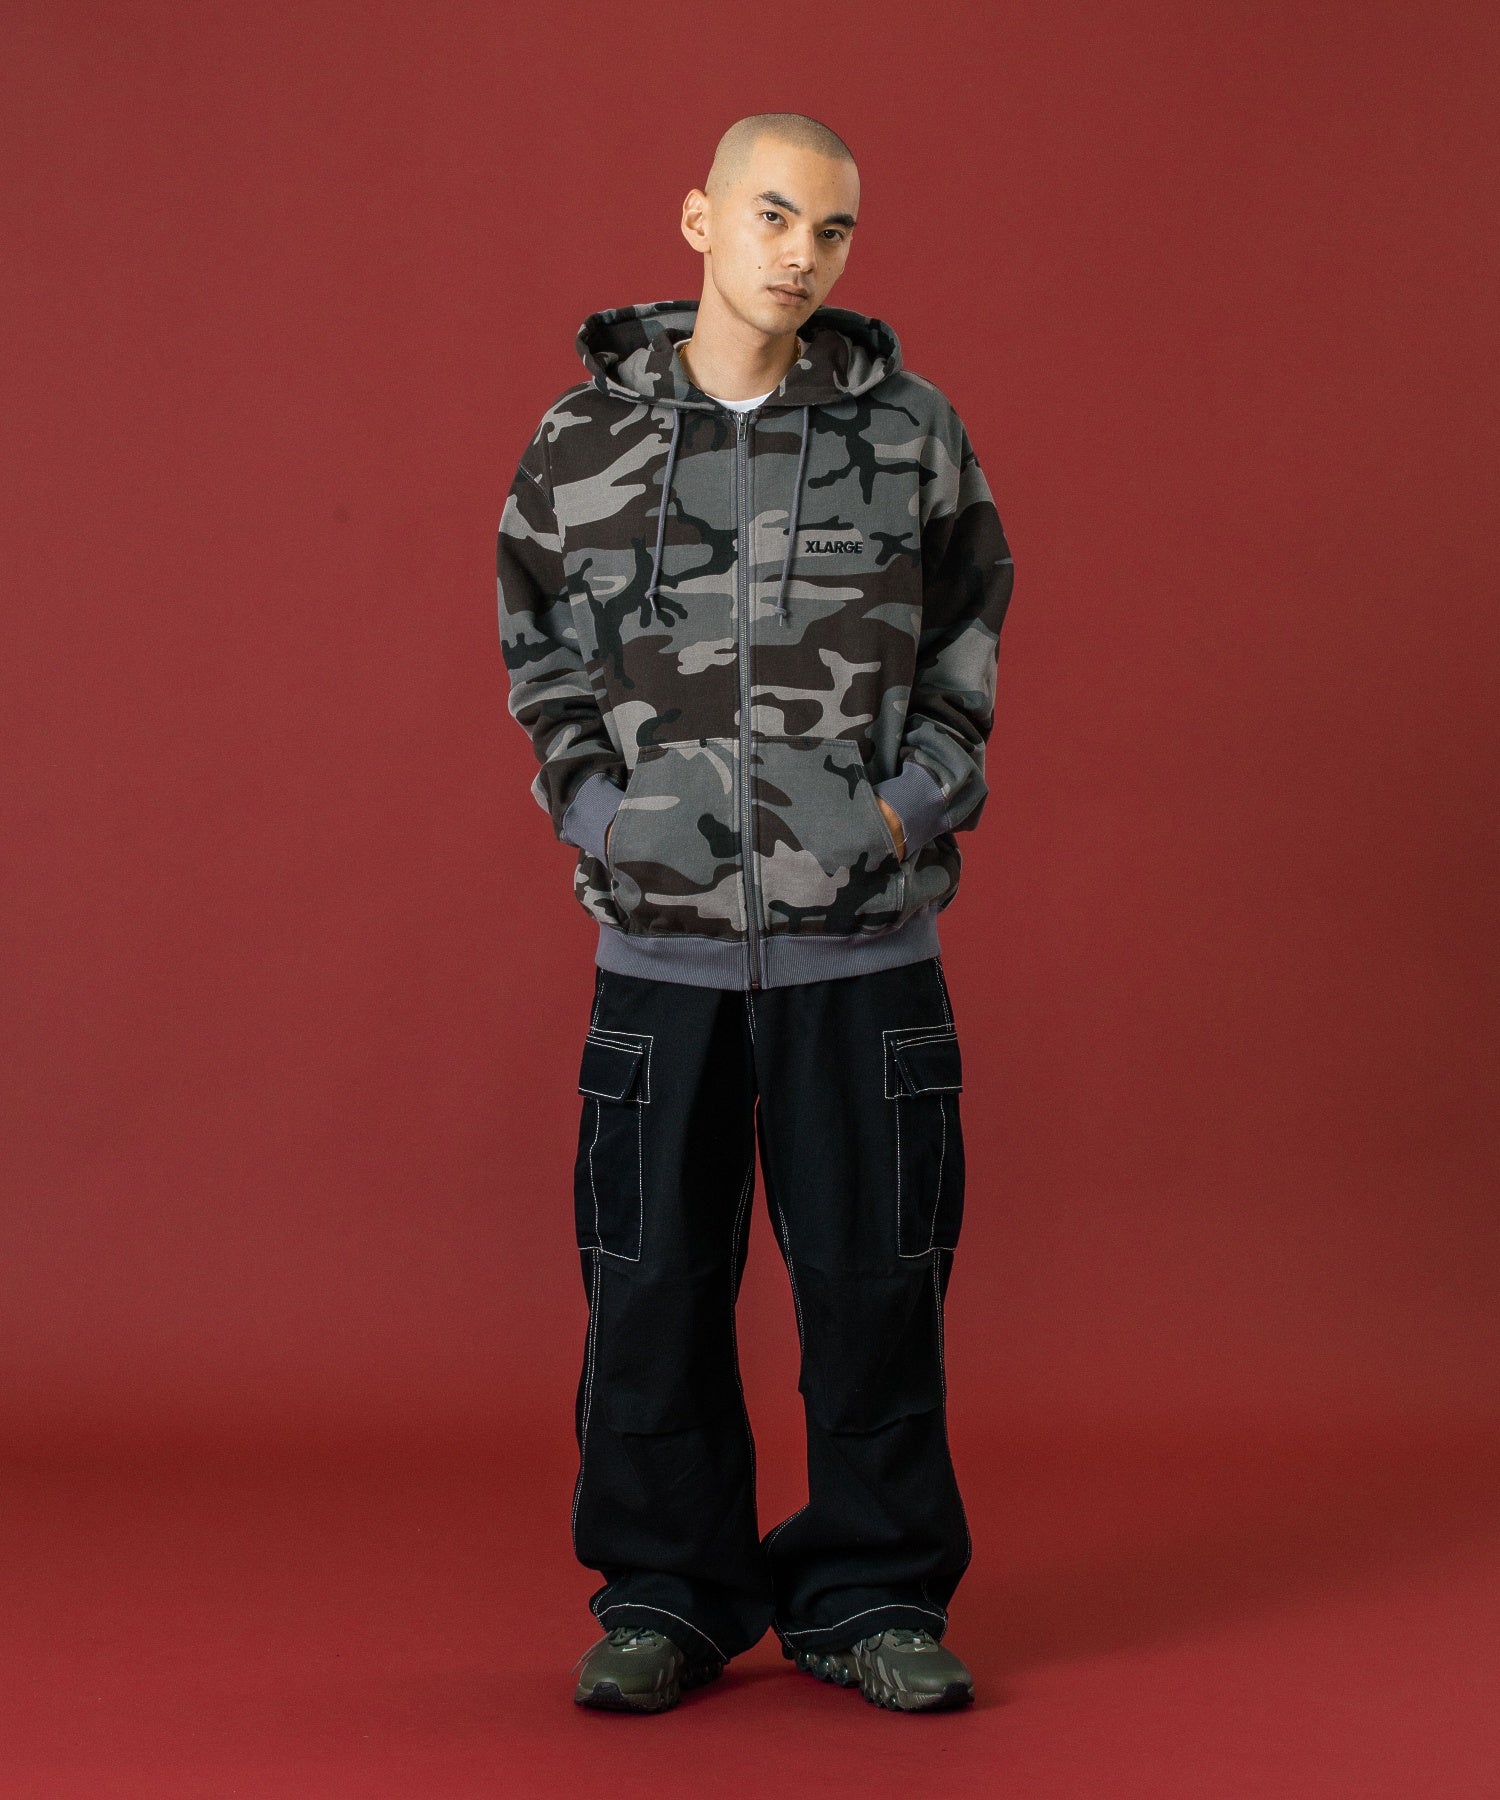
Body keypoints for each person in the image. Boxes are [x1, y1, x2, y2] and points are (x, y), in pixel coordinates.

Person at [496, 112, 1014, 1714]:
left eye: (834, 229)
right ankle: (667, 1594)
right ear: (700, 221)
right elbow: (539, 653)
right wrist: (606, 817)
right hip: (657, 950)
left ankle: (874, 1595)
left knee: (875, 1281)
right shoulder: (581, 440)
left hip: (864, 942)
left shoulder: (909, 431)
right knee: (649, 1285)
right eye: (776, 216)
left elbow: (970, 638)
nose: (803, 254)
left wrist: (900, 809)